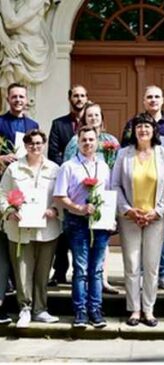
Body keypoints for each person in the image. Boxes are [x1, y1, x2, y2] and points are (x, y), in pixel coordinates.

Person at [121, 85, 164, 290]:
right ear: (143, 101)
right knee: (137, 234)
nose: (153, 100)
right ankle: (140, 272)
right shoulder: (133, 123)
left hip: (161, 184)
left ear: (163, 100)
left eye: (157, 96)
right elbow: (125, 146)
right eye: (149, 97)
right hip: (137, 185)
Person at [112, 113, 164, 327]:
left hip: (155, 218)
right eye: (139, 127)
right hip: (130, 218)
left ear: (153, 130)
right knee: (131, 264)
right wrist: (128, 210)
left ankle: (148, 309)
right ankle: (134, 309)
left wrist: (158, 210)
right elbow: (115, 186)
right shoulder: (123, 154)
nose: (143, 130)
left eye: (147, 126)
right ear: (134, 131)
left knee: (151, 265)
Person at [0, 129, 61, 328]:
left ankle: (40, 309)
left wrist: (55, 209)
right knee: (22, 270)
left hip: (47, 229)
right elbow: (1, 194)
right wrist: (8, 211)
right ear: (25, 145)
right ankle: (24, 309)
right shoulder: (14, 169)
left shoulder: (54, 169)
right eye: (31, 143)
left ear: (44, 145)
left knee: (43, 271)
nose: (35, 146)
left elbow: (61, 196)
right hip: (19, 228)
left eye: (38, 143)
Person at [53, 126, 111, 328]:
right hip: (77, 222)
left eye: (91, 140)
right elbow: (60, 196)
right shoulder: (68, 166)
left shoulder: (103, 166)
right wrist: (79, 208)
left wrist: (109, 217)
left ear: (97, 142)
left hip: (100, 223)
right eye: (84, 140)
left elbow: (109, 194)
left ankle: (95, 309)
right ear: (78, 142)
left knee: (96, 269)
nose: (88, 143)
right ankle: (80, 311)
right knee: (81, 268)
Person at [63, 102, 120, 295]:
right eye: (90, 116)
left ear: (102, 119)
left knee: (101, 250)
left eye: (97, 115)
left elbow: (116, 168)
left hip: (104, 199)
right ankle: (82, 300)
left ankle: (102, 280)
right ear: (84, 119)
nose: (93, 118)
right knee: (82, 258)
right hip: (80, 202)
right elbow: (70, 167)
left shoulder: (111, 140)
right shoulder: (75, 142)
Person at [0, 82, 38, 325]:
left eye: (21, 96)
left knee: (23, 248)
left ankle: (25, 301)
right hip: (3, 190)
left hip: (25, 193)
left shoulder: (33, 126)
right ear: (7, 98)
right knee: (3, 250)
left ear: (27, 99)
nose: (18, 100)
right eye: (14, 96)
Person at [47, 84, 88, 287]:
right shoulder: (59, 124)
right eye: (75, 95)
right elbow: (53, 152)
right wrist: (67, 172)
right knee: (62, 229)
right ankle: (60, 271)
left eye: (82, 96)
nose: (79, 99)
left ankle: (84, 272)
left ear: (87, 98)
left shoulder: (92, 123)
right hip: (65, 181)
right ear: (69, 98)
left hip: (87, 185)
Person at [0, 0, 55, 110]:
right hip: (13, 46)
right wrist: (6, 41)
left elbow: (11, 22)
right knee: (6, 89)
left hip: (29, 48)